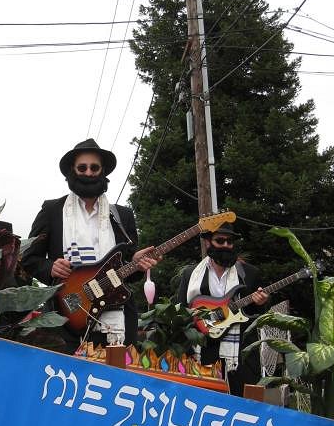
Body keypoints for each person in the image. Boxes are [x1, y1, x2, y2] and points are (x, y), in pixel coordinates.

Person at [22, 138, 159, 353]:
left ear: (102, 172)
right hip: (64, 318)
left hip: (116, 319)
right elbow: (29, 258)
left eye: (94, 168)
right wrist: (50, 268)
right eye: (82, 167)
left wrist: (136, 263)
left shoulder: (122, 216)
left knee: (114, 372)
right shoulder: (52, 211)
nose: (88, 172)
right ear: (72, 171)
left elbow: (128, 274)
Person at [177, 222, 269, 396]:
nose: (226, 245)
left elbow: (257, 315)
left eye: (230, 241)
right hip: (202, 350)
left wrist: (260, 303)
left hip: (239, 354)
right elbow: (181, 311)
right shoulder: (191, 274)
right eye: (220, 240)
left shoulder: (249, 273)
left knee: (241, 402)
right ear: (207, 242)